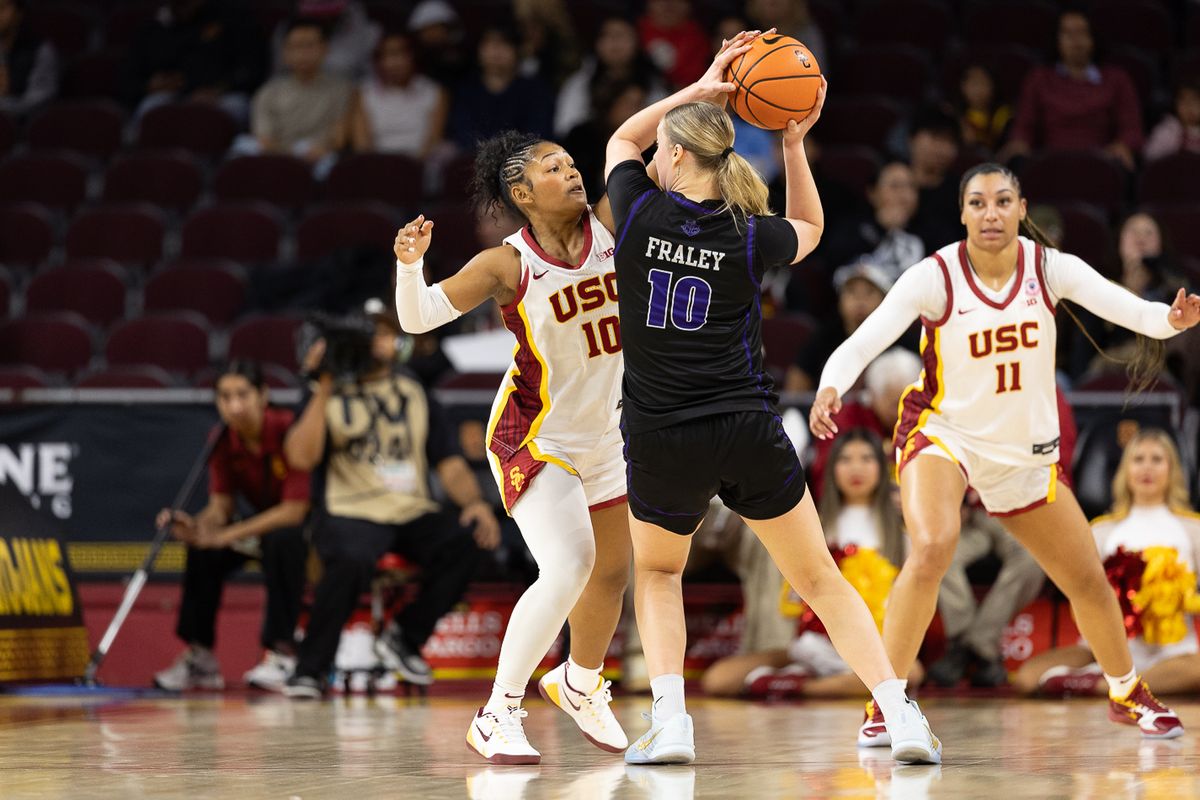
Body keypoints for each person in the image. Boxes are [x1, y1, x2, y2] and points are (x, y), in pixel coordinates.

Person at [605, 29, 941, 766]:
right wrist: (793, 143)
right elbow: (813, 227)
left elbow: (622, 139)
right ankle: (900, 715)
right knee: (819, 578)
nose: (654, 158)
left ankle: (672, 725)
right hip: (748, 427)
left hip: (663, 434)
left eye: (665, 151)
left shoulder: (635, 211)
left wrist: (701, 87)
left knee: (658, 574)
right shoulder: (748, 233)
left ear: (678, 155)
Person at [809, 161, 1200, 742]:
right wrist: (830, 386)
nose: (990, 213)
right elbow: (862, 343)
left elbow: (1132, 310)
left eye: (1001, 201)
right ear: (963, 213)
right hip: (944, 433)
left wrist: (1170, 321)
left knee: (1087, 579)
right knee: (933, 546)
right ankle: (885, 704)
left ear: (1021, 209)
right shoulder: (935, 276)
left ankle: (1126, 691)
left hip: (1022, 450)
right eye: (977, 202)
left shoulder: (1050, 268)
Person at [392, 131, 632, 764]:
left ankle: (580, 683)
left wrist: (708, 92)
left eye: (573, 163)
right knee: (570, 565)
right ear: (522, 193)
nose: (573, 172)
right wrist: (410, 266)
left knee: (612, 572)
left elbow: (647, 144)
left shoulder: (610, 223)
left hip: (605, 431)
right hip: (533, 433)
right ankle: (497, 712)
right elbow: (417, 319)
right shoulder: (507, 264)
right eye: (554, 168)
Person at [280, 305, 501, 697]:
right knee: (350, 559)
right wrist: (325, 381)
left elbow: (449, 463)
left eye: (386, 333)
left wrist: (475, 503)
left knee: (467, 541)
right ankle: (310, 668)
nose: (385, 342)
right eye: (376, 334)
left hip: (409, 506)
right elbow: (300, 457)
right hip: (351, 506)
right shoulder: (326, 390)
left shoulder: (414, 390)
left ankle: (405, 637)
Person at [701, 429, 923, 700]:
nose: (856, 468)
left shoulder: (901, 535)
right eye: (845, 459)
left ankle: (797, 688)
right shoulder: (812, 525)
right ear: (831, 468)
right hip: (809, 644)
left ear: (881, 467)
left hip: (871, 645)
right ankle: (805, 679)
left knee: (909, 671)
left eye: (866, 459)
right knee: (719, 679)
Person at [153, 361, 310, 692]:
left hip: (306, 532)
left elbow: (294, 511)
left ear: (262, 395)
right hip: (259, 530)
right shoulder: (222, 438)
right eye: (225, 397)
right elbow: (222, 505)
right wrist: (197, 527)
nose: (234, 406)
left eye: (242, 395)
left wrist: (224, 536)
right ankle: (201, 657)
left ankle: (282, 651)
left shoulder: (289, 428)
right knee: (203, 551)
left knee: (283, 539)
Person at [1014, 430, 1200, 697]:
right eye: (1138, 459)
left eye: (1157, 459)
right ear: (1125, 470)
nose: (1147, 468)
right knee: (1028, 677)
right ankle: (1114, 681)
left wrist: (1173, 599)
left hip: (1173, 654)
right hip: (1103, 651)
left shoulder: (1193, 528)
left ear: (1172, 470)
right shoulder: (1100, 530)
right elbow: (1079, 594)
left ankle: (1100, 687)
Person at [1000, 8, 1142, 171]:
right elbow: (1024, 124)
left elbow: (1131, 127)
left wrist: (1123, 144)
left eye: (1081, 32)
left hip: (1101, 161)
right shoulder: (1039, 78)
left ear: (1093, 38)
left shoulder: (1117, 79)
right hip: (1049, 162)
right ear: (1057, 40)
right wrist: (1020, 142)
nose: (1076, 40)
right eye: (1068, 34)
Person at [926, 494, 1045, 688]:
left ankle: (975, 644)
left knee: (1032, 559)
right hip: (961, 518)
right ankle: (970, 645)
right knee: (939, 557)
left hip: (1012, 514)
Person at [121, 0, 264, 123]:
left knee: (234, 108)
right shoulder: (153, 27)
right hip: (171, 96)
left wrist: (218, 89)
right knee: (150, 107)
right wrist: (149, 85)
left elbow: (251, 69)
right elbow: (130, 78)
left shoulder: (232, 17)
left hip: (224, 94)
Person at [241, 17, 353, 166]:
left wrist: (321, 150)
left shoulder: (342, 90)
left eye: (309, 45)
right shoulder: (269, 92)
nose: (303, 53)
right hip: (277, 159)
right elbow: (264, 140)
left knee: (333, 163)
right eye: (296, 46)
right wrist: (294, 154)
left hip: (321, 158)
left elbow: (338, 139)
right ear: (285, 53)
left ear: (325, 49)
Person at [784, 260, 892, 393]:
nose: (860, 301)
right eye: (852, 292)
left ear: (885, 299)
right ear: (840, 300)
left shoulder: (898, 335)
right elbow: (797, 383)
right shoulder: (823, 338)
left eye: (869, 292)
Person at [554, 16, 668, 139]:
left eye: (622, 35)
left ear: (637, 42)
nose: (615, 42)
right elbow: (565, 130)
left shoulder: (654, 83)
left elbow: (665, 129)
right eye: (607, 35)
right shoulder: (580, 83)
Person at [448, 24, 555, 152]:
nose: (496, 50)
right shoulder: (465, 89)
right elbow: (462, 134)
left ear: (517, 50)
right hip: (472, 157)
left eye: (504, 43)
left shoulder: (536, 90)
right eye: (489, 43)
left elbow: (538, 135)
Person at [348, 31, 449, 158]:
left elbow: (433, 141)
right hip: (377, 163)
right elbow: (363, 146)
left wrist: (413, 166)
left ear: (413, 56)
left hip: (423, 162)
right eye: (386, 55)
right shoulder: (363, 93)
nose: (394, 62)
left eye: (400, 54)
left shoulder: (435, 92)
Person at [269, 0, 380, 80]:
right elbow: (278, 77)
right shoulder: (287, 30)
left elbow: (370, 83)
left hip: (346, 96)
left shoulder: (368, 32)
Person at [0, 0, 57, 117]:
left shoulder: (39, 50)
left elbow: (36, 102)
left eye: (1, 8)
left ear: (18, 13)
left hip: (22, 122)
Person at [957, 63, 1012, 154]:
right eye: (974, 84)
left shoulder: (1004, 115)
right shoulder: (957, 116)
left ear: (993, 86)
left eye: (983, 83)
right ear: (963, 86)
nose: (979, 90)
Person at [1145, 77, 1200, 162]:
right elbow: (1150, 157)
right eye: (1183, 101)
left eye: (1195, 101)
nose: (1189, 106)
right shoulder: (1168, 130)